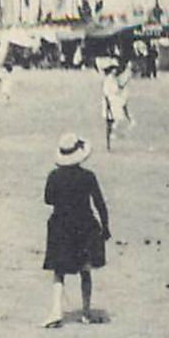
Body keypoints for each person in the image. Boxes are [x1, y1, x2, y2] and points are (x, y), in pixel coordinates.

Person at [41, 133, 110, 327]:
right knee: (85, 269)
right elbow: (100, 203)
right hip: (84, 225)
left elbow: (48, 199)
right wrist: (106, 226)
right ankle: (86, 312)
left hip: (60, 225)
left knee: (58, 270)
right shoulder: (88, 176)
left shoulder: (54, 176)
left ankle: (56, 310)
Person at [101, 60, 133, 150]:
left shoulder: (114, 78)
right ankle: (111, 137)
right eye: (114, 69)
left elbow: (119, 87)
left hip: (114, 100)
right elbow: (106, 92)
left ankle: (114, 134)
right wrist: (108, 104)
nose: (115, 70)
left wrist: (126, 78)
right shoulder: (108, 79)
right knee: (111, 120)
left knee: (116, 117)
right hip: (110, 101)